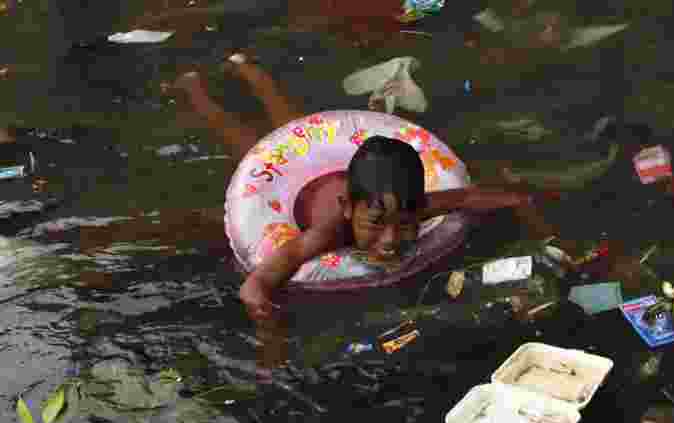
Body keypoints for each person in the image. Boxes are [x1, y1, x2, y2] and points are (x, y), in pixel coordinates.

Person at [168, 55, 560, 324]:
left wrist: (547, 236)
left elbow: (497, 198)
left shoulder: (407, 204)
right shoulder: (328, 231)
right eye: (376, 224)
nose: (391, 240)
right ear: (347, 209)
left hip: (340, 172)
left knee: (288, 121)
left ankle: (247, 69)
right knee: (247, 138)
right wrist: (273, 342)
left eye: (406, 224)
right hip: (298, 182)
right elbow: (255, 288)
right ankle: (196, 87)